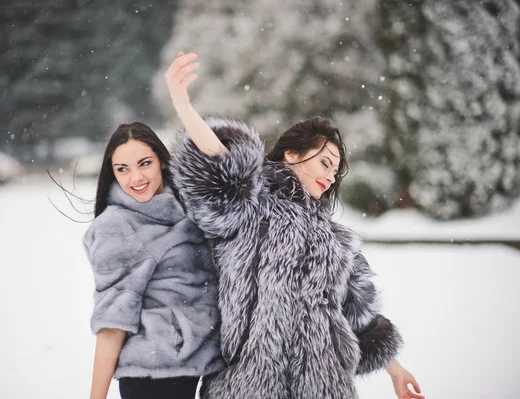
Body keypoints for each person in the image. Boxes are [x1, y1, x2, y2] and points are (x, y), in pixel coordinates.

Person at [165, 52, 424, 399]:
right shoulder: (251, 204)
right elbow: (219, 161)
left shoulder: (335, 240)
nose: (330, 177)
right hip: (248, 383)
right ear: (292, 154)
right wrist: (183, 105)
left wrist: (395, 369)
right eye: (325, 163)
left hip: (323, 385)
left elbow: (360, 312)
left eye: (335, 172)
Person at [82, 122, 225, 399]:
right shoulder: (118, 227)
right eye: (122, 169)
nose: (135, 177)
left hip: (191, 369)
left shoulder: (186, 211)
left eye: (144, 163)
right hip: (152, 376)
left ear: (161, 161)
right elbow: (112, 322)